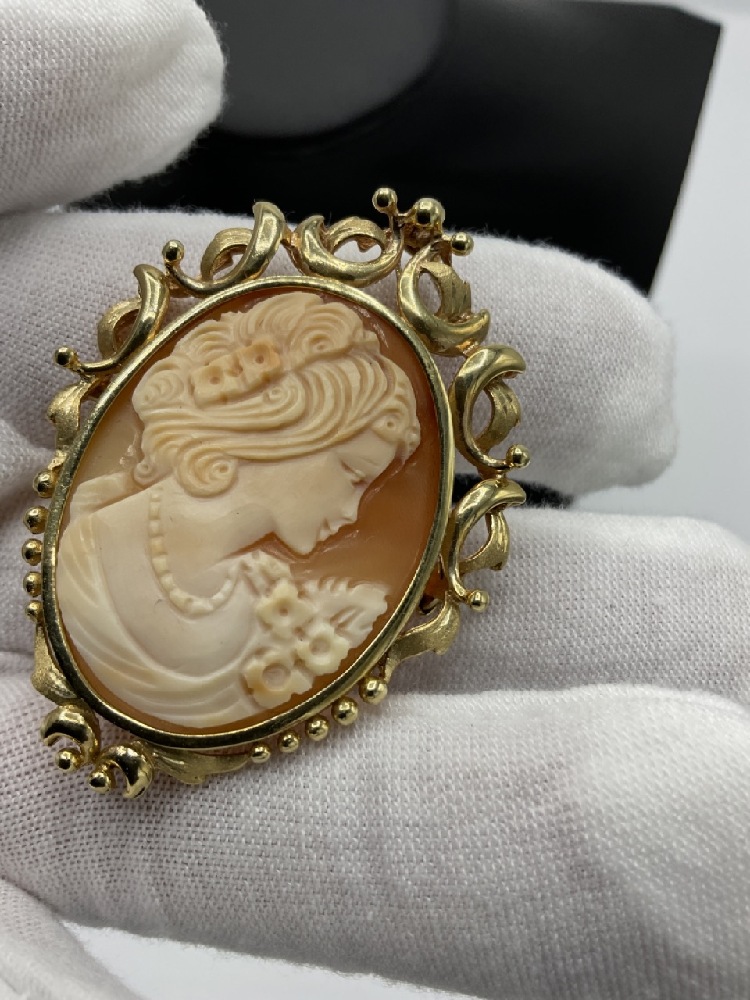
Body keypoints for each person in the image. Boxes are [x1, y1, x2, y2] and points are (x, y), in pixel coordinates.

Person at [1, 3, 748, 999]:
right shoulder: (96, 559)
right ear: (258, 445)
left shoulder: (292, 612)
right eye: (353, 473)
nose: (359, 513)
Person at [56, 291, 420, 726]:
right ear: (279, 432)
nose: (353, 512)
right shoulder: (87, 554)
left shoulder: (277, 606)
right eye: (352, 474)